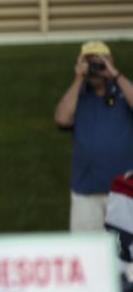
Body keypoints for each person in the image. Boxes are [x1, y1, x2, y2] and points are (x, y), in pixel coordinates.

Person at [54, 40, 133, 231]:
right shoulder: (78, 95)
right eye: (90, 62)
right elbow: (62, 119)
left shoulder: (124, 91)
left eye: (100, 61)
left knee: (127, 255)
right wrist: (79, 78)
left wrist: (115, 75)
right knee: (87, 253)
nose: (95, 68)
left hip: (125, 192)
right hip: (87, 193)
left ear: (110, 61)